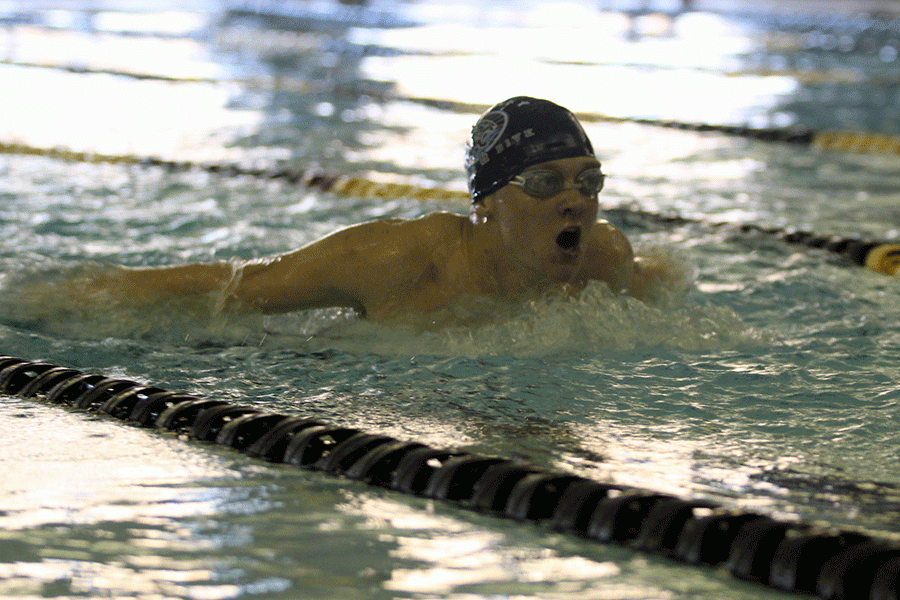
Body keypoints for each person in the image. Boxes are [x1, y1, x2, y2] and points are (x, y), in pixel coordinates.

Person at [30, 97, 666, 324]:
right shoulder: (396, 259)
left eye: (588, 180)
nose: (575, 200)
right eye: (543, 183)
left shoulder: (605, 259)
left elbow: (663, 286)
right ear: (489, 205)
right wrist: (49, 299)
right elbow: (226, 289)